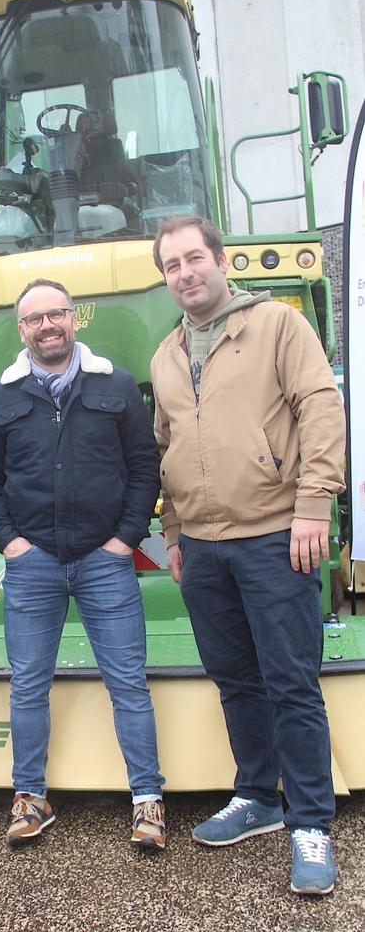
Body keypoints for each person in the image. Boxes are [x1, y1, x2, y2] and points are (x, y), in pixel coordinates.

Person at [150, 215, 345, 895]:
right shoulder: (166, 354)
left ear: (220, 260)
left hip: (274, 536)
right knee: (235, 679)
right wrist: (173, 533)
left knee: (290, 681)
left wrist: (313, 504)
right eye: (172, 265)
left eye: (193, 258)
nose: (185, 273)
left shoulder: (276, 326)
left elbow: (320, 407)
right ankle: (258, 795)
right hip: (203, 549)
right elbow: (167, 446)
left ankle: (310, 822)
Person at [0, 278, 165, 849]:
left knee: (128, 682)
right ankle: (30, 796)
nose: (47, 326)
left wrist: (125, 539)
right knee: (28, 685)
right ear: (21, 329)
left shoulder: (116, 384)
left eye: (55, 314)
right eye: (34, 319)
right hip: (32, 563)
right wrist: (8, 541)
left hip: (105, 560)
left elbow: (144, 466)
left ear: (73, 318)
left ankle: (148, 799)